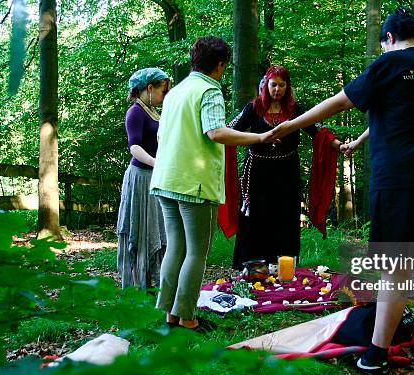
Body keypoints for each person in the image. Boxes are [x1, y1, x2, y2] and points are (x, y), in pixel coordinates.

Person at [272, 7, 414, 375]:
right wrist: (362, 139)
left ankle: (376, 356)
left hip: (403, 180)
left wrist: (289, 126)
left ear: (389, 40)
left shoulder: (389, 63)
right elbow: (408, 114)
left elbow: (339, 101)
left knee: (395, 270)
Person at [149, 36, 277, 332]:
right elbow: (216, 132)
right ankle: (188, 317)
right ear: (219, 65)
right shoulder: (209, 89)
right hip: (193, 183)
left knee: (176, 248)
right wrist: (259, 137)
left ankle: (170, 314)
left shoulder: (176, 92)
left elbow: (162, 137)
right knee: (195, 251)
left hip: (166, 179)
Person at [227, 65, 342, 270]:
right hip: (257, 172)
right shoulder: (254, 108)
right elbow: (230, 130)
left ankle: (283, 269)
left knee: (285, 217)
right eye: (273, 85)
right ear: (266, 85)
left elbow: (316, 132)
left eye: (282, 85)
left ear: (287, 87)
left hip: (286, 172)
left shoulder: (295, 110)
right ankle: (253, 269)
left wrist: (339, 145)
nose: (277, 89)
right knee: (257, 218)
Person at [117, 67, 170, 289]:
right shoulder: (136, 112)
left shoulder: (153, 111)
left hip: (155, 177)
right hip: (141, 178)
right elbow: (135, 147)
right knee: (142, 229)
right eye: (162, 91)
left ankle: (156, 280)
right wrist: (157, 163)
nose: (164, 96)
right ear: (149, 88)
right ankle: (140, 282)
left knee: (158, 228)